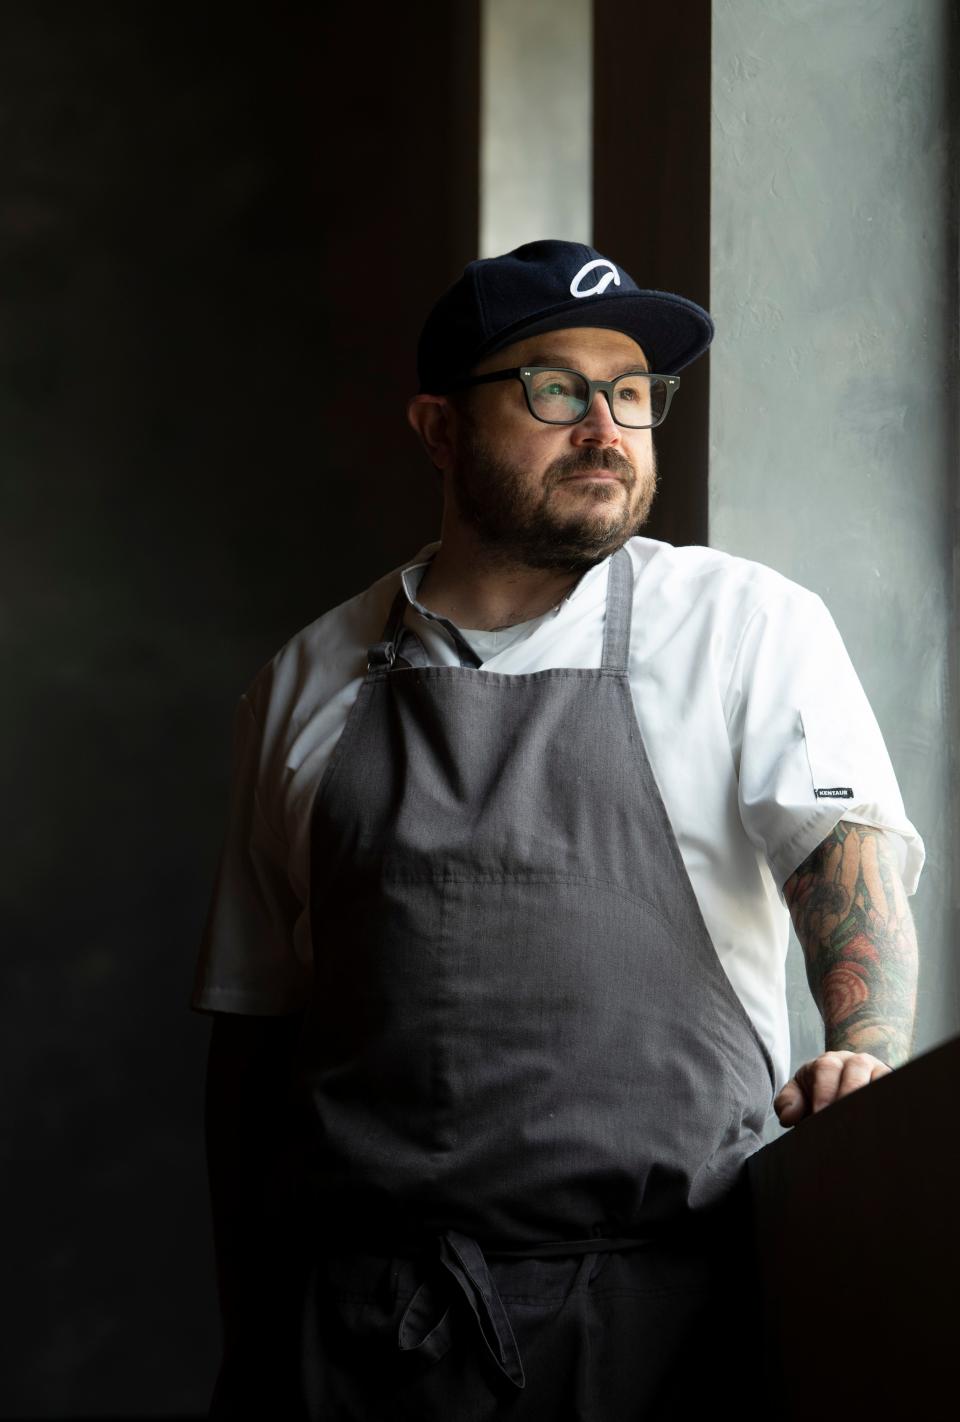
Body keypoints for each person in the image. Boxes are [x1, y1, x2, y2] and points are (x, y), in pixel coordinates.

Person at [192, 239, 923, 1420]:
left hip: (663, 1328)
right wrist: (249, 1329)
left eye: (633, 393)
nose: (607, 428)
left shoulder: (742, 624)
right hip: (356, 1343)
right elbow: (254, 1039)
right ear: (437, 428)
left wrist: (867, 1049)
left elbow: (848, 856)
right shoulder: (305, 680)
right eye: (555, 388)